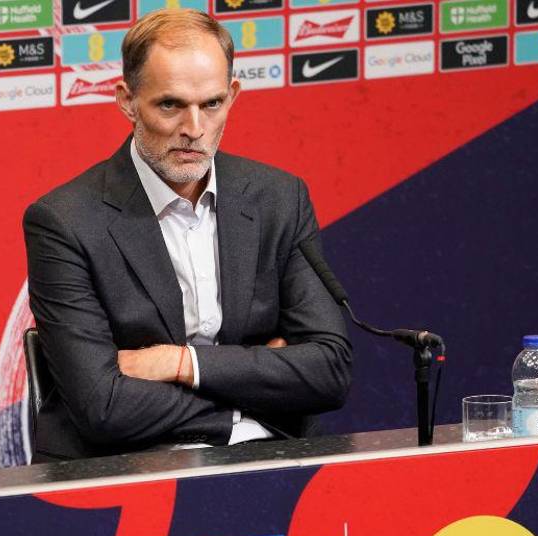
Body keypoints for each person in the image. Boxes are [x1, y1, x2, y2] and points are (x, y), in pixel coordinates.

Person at [23, 9, 352, 462]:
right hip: (125, 471)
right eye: (170, 105)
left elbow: (329, 370)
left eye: (212, 104)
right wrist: (253, 388)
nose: (194, 130)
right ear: (126, 100)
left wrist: (180, 363)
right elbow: (103, 405)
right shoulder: (64, 221)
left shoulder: (279, 198)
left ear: (233, 95)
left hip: (266, 460)